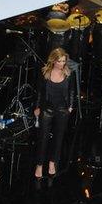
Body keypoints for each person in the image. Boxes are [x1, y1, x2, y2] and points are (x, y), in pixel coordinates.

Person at [33, 48, 76, 180]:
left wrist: (70, 106)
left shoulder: (69, 73)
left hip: (62, 110)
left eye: (63, 61)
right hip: (47, 109)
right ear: (53, 60)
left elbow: (72, 91)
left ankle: (52, 163)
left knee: (58, 138)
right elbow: (40, 91)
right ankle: (39, 165)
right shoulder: (45, 72)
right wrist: (37, 107)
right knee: (43, 138)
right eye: (59, 61)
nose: (62, 64)